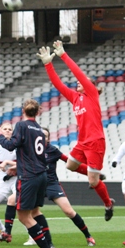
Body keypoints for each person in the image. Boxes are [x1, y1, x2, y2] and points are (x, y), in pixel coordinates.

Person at [37, 42, 114, 221]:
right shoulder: (75, 98)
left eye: (83, 82)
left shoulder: (91, 95)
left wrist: (63, 55)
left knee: (93, 182)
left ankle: (108, 203)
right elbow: (58, 84)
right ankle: (93, 172)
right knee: (70, 165)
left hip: (95, 141)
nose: (79, 82)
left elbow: (78, 73)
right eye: (78, 83)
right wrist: (48, 63)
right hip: (82, 142)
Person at [0, 99, 56, 248]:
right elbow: (33, 155)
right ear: (38, 112)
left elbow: (9, 145)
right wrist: (18, 166)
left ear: (23, 111)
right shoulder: (40, 131)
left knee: (23, 216)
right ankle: (50, 247)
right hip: (41, 175)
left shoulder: (22, 125)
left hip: (29, 177)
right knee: (35, 212)